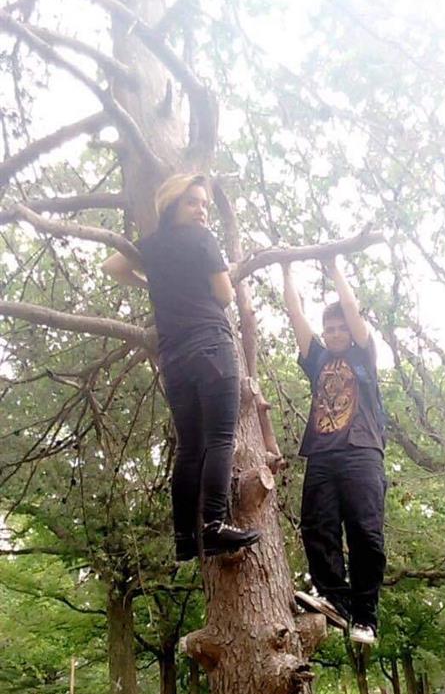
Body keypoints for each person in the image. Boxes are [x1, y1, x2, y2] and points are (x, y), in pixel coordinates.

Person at [102, 174, 261, 559]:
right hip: (211, 344)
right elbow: (224, 295)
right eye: (193, 202)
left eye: (204, 204)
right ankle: (214, 525)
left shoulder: (151, 245)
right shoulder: (203, 239)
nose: (202, 210)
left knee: (190, 446)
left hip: (174, 358)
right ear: (173, 203)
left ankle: (185, 540)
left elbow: (112, 266)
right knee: (220, 438)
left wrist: (154, 284)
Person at [281, 259, 387, 644]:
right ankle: (336, 601)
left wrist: (333, 268)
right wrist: (286, 269)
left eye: (342, 327)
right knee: (317, 527)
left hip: (362, 451)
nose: (337, 332)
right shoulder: (318, 359)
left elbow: (353, 310)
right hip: (322, 454)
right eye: (330, 328)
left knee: (365, 533)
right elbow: (296, 315)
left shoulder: (363, 355)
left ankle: (365, 617)